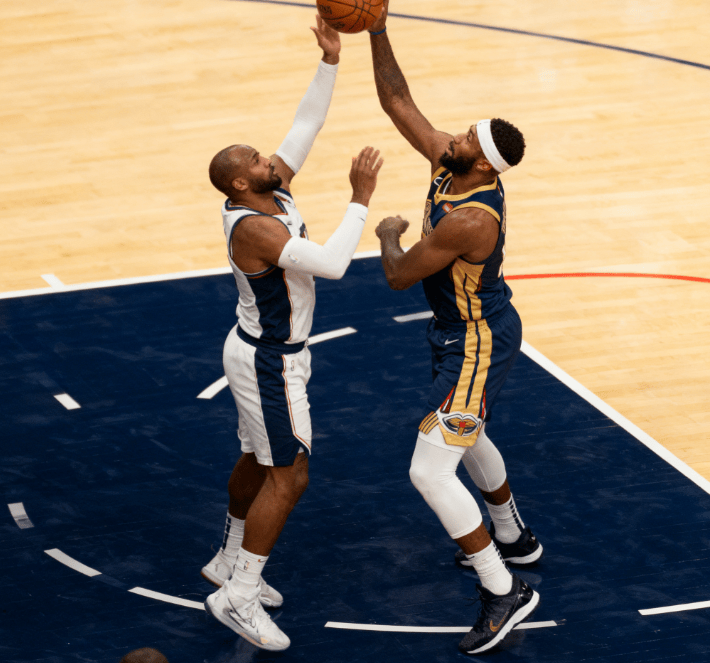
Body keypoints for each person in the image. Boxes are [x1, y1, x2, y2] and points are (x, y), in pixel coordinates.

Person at [201, 17, 383, 652]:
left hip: (262, 351)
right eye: (257, 160)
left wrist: (330, 61)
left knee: (259, 459)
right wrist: (360, 198)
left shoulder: (267, 190)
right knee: (291, 476)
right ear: (241, 184)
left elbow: (305, 126)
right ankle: (240, 595)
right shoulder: (257, 228)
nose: (270, 159)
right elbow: (331, 264)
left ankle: (229, 559)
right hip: (270, 361)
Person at [367, 2, 542, 655]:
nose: (453, 138)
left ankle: (503, 589)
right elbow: (398, 101)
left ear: (485, 166)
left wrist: (387, 233)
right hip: (460, 333)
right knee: (469, 435)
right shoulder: (452, 161)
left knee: (430, 471)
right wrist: (376, 27)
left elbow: (397, 275)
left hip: (476, 341)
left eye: (466, 139)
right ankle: (514, 536)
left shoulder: (472, 219)